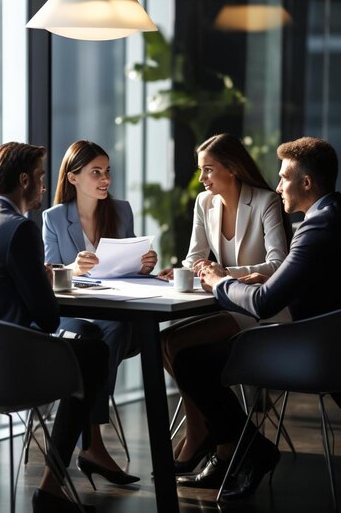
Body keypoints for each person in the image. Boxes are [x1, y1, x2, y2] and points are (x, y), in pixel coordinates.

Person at [174, 136, 341, 499]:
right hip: (325, 343)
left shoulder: (315, 229)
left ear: (307, 183)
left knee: (189, 362)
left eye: (284, 177)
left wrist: (220, 280)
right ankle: (238, 449)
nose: (277, 185)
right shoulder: (333, 216)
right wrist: (271, 277)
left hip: (309, 352)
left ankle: (250, 448)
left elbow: (264, 304)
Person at [0, 141, 109, 513]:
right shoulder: (19, 230)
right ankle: (51, 488)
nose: (43, 187)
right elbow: (49, 318)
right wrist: (40, 277)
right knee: (94, 353)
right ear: (23, 180)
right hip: (10, 370)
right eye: (39, 178)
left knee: (85, 339)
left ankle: (61, 481)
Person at [157, 133, 289, 474]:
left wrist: (224, 273)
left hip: (262, 308)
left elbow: (278, 264)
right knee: (164, 342)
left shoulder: (265, 202)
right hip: (228, 304)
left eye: (209, 170)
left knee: (179, 345)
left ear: (232, 168)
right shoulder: (205, 203)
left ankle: (208, 433)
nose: (202, 179)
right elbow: (195, 258)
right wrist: (178, 271)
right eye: (202, 171)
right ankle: (201, 429)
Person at [42, 140, 157, 485]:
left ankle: (90, 441)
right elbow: (48, 274)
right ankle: (92, 443)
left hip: (113, 316)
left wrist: (145, 265)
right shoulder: (55, 218)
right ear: (73, 178)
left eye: (107, 171)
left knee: (116, 329)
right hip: (70, 320)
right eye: (96, 172)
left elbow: (133, 267)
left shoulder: (120, 211)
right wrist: (74, 269)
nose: (105, 179)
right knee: (104, 335)